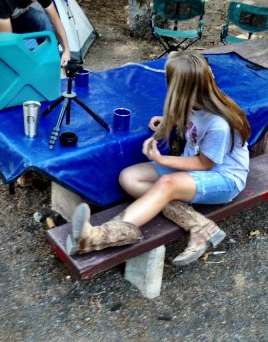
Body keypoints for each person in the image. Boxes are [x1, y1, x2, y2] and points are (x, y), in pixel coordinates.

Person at [66, 51, 252, 266]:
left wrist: (161, 159)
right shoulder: (195, 102)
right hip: (195, 169)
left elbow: (204, 164)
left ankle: (99, 237)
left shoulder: (219, 124)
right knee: (129, 177)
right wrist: (167, 120)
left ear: (181, 88)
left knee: (166, 183)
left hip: (224, 178)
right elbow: (191, 118)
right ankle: (198, 224)